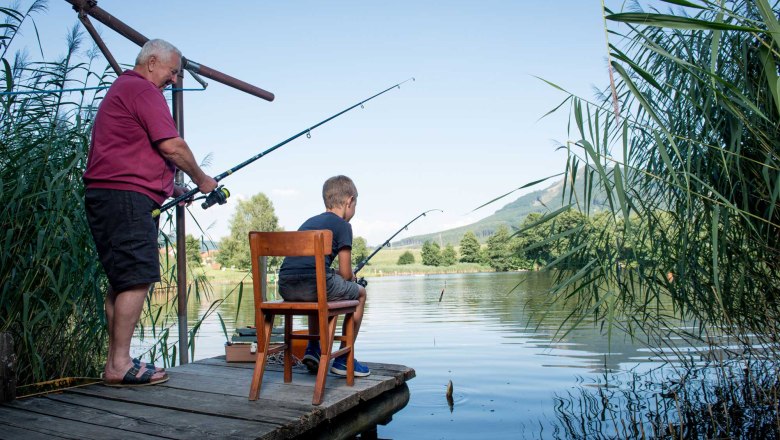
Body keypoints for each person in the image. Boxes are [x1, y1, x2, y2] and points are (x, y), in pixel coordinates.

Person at [83, 39, 217, 387]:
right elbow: (172, 145)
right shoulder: (143, 91)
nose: (174, 80)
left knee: (123, 279)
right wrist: (201, 180)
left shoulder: (124, 89)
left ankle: (117, 359)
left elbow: (130, 153)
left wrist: (173, 188)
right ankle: (119, 364)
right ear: (153, 62)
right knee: (137, 277)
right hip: (125, 198)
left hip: (112, 195)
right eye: (173, 72)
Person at [278, 175, 370, 377]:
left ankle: (313, 348)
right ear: (349, 201)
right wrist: (351, 278)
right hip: (314, 284)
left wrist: (334, 274)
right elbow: (346, 274)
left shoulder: (308, 222)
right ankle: (343, 360)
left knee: (322, 286)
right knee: (360, 293)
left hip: (286, 285)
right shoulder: (343, 226)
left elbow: (308, 265)